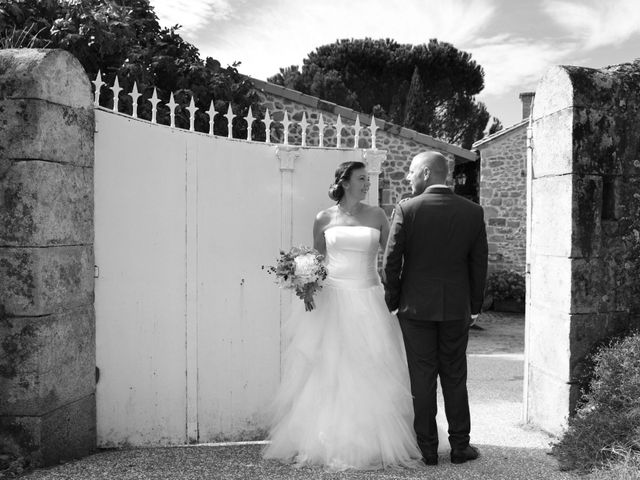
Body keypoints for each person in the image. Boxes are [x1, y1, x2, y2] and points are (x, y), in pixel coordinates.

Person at [263, 161, 443, 471]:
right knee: (330, 370)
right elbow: (316, 259)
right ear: (345, 182)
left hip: (370, 298)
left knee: (373, 367)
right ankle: (328, 440)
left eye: (366, 180)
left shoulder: (377, 215)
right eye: (361, 179)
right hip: (332, 301)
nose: (366, 185)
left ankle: (377, 442)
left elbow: (394, 256)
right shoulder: (323, 218)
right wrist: (303, 281)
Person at [382, 151, 488, 466]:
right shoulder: (472, 211)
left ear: (427, 173)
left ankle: (427, 449)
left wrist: (392, 302)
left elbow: (391, 261)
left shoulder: (407, 209)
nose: (408, 177)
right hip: (456, 308)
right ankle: (460, 447)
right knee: (455, 376)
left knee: (422, 377)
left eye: (412, 171)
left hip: (415, 309)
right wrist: (474, 307)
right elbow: (478, 263)